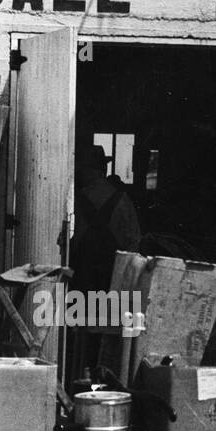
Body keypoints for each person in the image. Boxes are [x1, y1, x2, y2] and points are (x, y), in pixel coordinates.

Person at [68, 143, 141, 375]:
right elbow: (134, 241)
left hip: (86, 277)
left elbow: (72, 241)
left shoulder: (78, 200)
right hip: (114, 276)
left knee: (83, 331)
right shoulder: (122, 199)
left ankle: (82, 373)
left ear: (89, 170)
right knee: (110, 331)